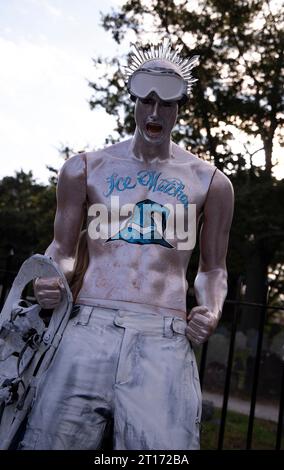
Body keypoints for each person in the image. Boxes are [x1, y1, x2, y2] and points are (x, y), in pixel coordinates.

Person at [19, 39, 234, 450]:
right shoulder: (85, 168)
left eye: (166, 104)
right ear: (133, 101)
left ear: (179, 108)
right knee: (51, 442)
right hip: (86, 327)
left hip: (164, 336)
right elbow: (62, 250)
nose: (155, 113)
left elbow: (213, 268)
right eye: (146, 101)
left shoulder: (210, 181)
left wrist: (212, 308)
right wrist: (48, 279)